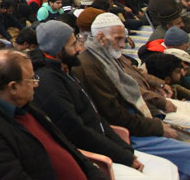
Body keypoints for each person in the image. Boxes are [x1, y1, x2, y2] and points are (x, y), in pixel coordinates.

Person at [33, 20, 179, 180]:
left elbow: (96, 118)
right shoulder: (50, 83)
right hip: (92, 157)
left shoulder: (66, 68)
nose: (79, 49)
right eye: (73, 45)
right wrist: (123, 156)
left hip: (109, 144)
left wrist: (125, 151)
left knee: (167, 167)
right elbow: (78, 132)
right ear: (58, 50)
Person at [73, 12, 190, 176]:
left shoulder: (107, 56)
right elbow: (114, 114)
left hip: (140, 120)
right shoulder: (90, 65)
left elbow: (133, 88)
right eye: (118, 39)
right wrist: (156, 126)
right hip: (129, 134)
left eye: (123, 38)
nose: (122, 44)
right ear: (100, 37)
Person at [0, 50, 106, 180]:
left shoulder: (25, 105)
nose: (36, 84)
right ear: (13, 87)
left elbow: (67, 147)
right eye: (32, 79)